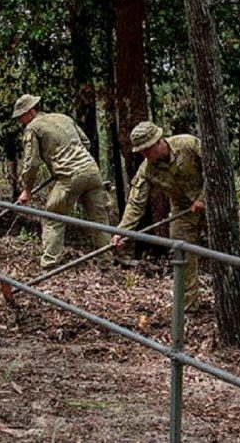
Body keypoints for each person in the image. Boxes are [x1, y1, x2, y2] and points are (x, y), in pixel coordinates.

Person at [110, 121, 206, 311]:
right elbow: (136, 204)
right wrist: (122, 232)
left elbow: (216, 169)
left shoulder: (188, 144)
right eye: (141, 152)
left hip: (213, 201)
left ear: (159, 141)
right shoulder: (147, 170)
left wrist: (204, 197)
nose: (145, 155)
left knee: (229, 249)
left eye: (147, 149)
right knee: (181, 250)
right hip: (183, 209)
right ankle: (188, 306)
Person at [12, 94, 111, 269]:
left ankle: (50, 262)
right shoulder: (63, 118)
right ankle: (106, 262)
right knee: (100, 221)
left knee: (53, 216)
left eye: (21, 116)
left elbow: (32, 163)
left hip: (69, 177)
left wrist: (27, 190)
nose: (20, 121)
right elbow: (86, 143)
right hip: (92, 171)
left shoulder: (32, 128)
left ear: (30, 111)